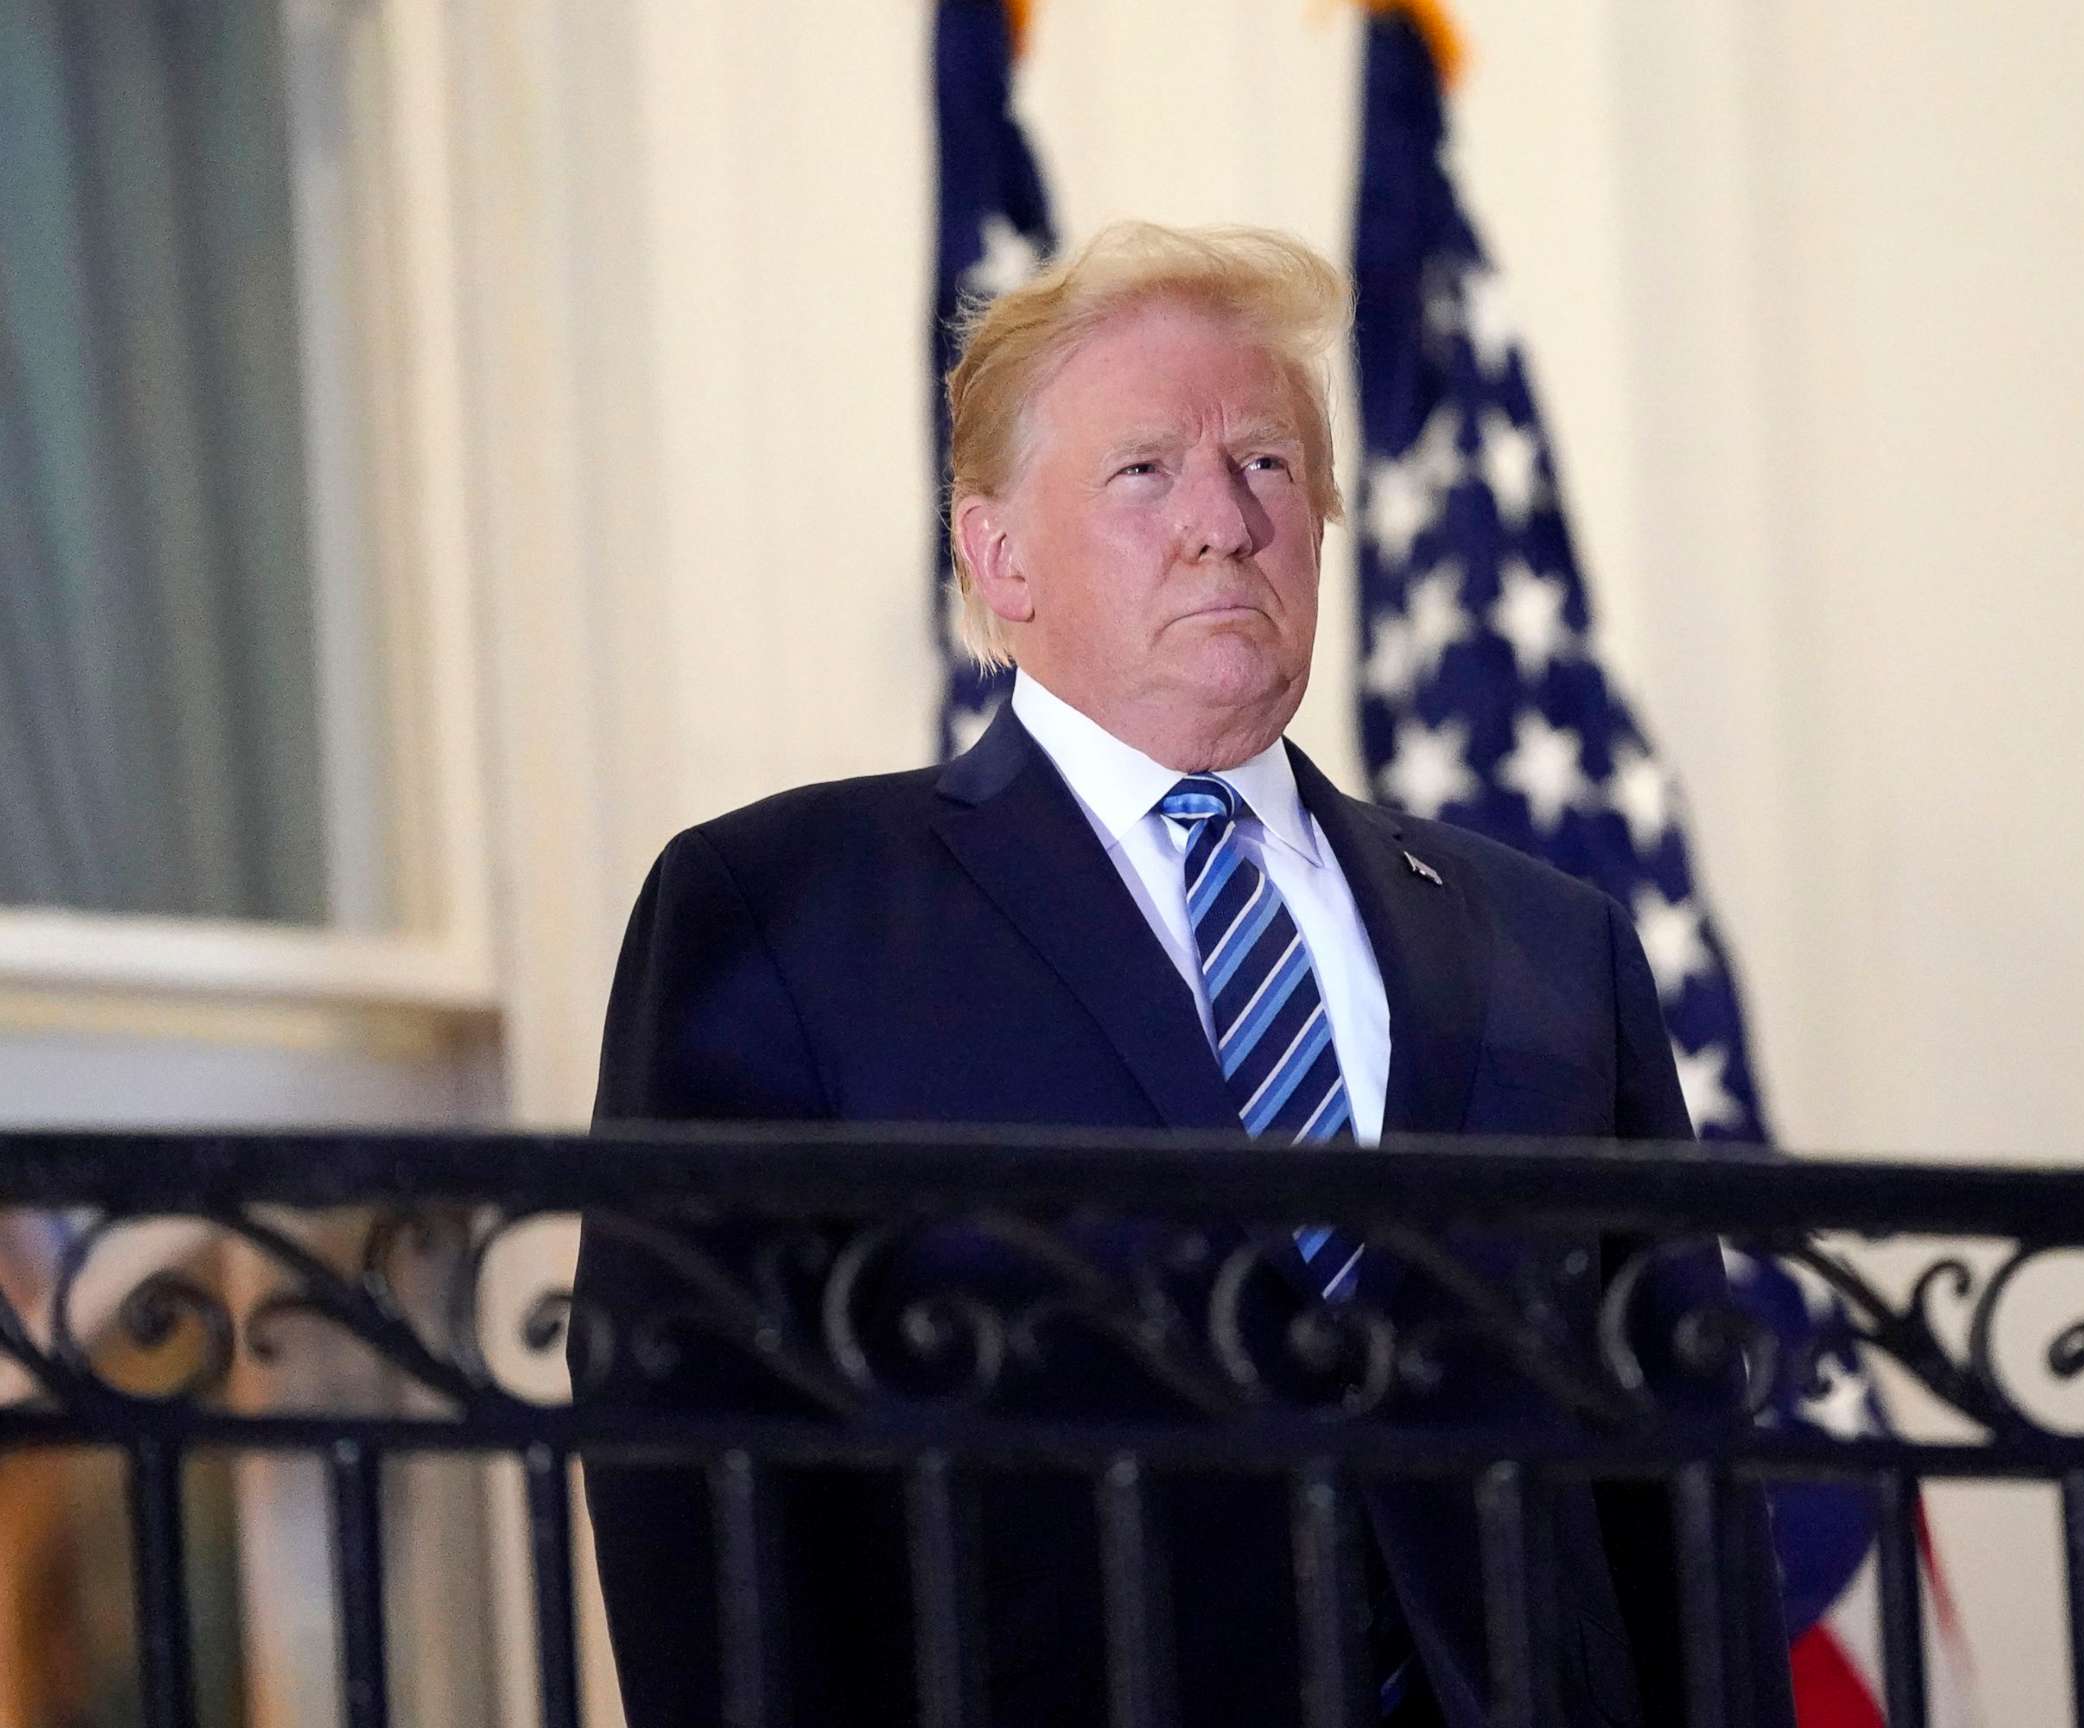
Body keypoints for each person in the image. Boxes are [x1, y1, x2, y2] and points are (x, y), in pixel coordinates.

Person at [578, 221, 1795, 1728]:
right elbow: (690, 1470)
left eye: (1271, 466)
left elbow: (1679, 1466)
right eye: (1145, 470)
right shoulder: (786, 913)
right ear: (997, 556)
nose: (1223, 522)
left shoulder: (1549, 941)